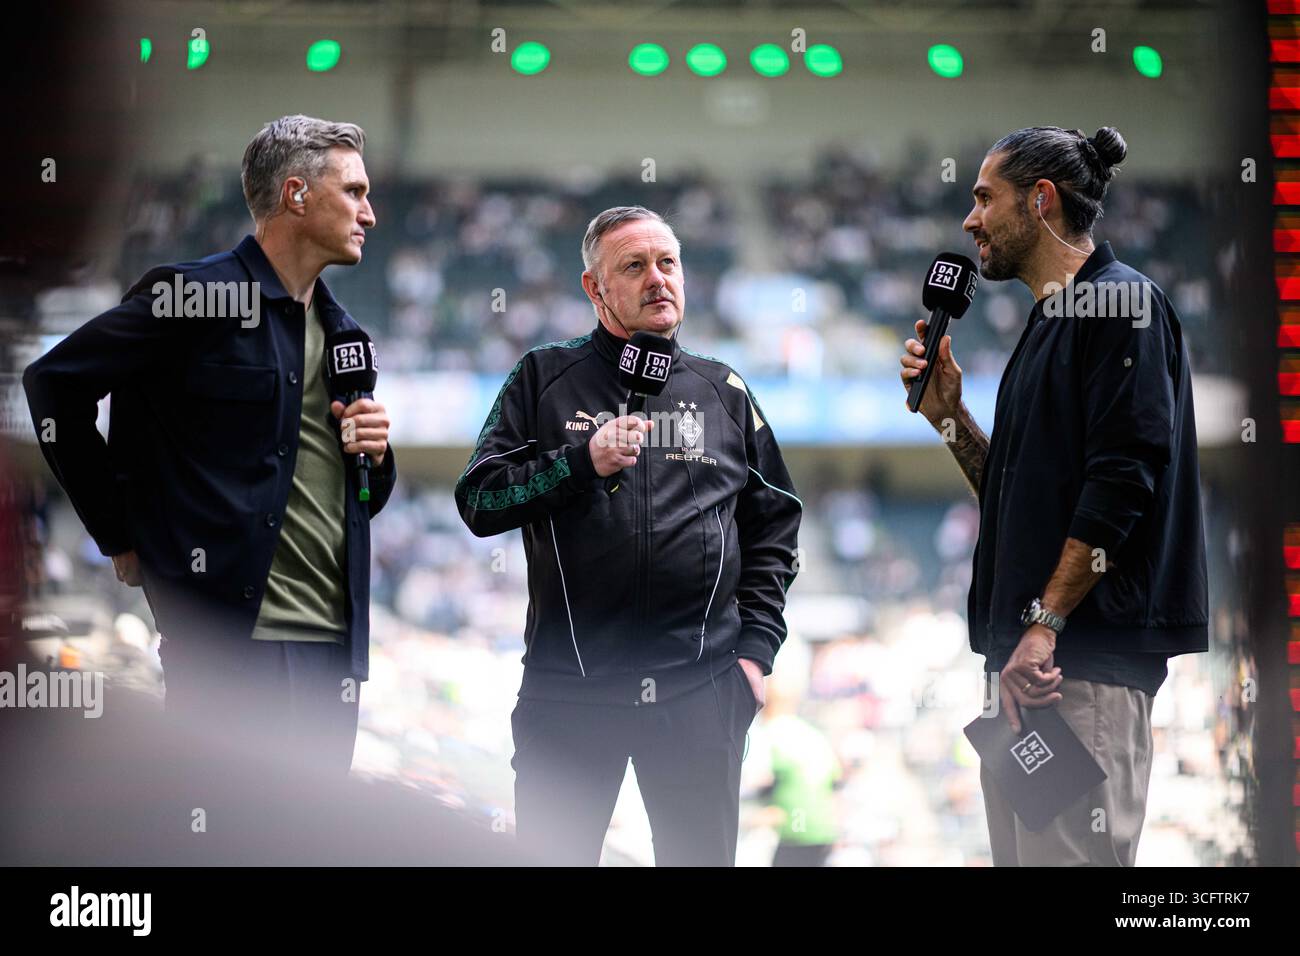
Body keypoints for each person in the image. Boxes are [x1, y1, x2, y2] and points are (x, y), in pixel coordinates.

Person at [22, 115, 395, 779]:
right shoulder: (192, 295)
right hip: (226, 646)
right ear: (297, 195)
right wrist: (118, 533)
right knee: (223, 836)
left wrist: (375, 456)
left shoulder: (348, 336)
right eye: (355, 192)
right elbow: (54, 386)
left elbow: (361, 497)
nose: (369, 212)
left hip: (333, 654)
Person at [455, 205, 802, 866]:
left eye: (667, 263)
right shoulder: (543, 377)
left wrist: (754, 655)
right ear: (595, 288)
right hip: (570, 692)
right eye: (634, 267)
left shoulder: (723, 390)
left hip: (701, 690)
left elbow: (776, 524)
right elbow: (480, 498)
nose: (657, 280)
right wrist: (580, 462)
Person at [898, 126, 1208, 866]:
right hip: (1030, 672)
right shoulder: (1051, 324)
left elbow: (1123, 479)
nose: (970, 220)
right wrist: (950, 418)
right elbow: (1017, 500)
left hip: (1076, 666)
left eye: (984, 198)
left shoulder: (1121, 304)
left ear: (1040, 201)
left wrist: (1045, 623)